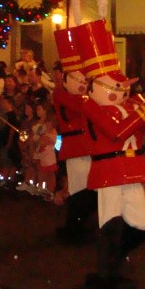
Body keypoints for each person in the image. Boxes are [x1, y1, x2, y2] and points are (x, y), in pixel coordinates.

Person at [77, 19, 145, 289]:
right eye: (116, 87)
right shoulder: (90, 106)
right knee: (110, 222)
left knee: (142, 222)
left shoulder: (129, 106)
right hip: (109, 167)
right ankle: (107, 272)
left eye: (123, 87)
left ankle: (113, 260)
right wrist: (142, 114)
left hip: (131, 167)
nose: (122, 92)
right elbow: (115, 133)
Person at [52, 23, 97, 243]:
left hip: (86, 146)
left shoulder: (82, 97)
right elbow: (80, 107)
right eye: (78, 80)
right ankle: (73, 228)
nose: (81, 84)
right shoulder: (61, 94)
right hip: (74, 146)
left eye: (84, 80)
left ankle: (76, 225)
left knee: (88, 187)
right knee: (80, 188)